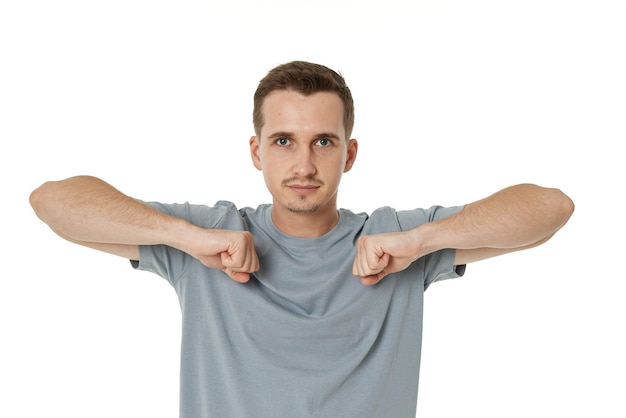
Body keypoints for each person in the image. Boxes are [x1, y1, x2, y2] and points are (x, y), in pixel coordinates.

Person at [29, 60, 574, 418]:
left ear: (349, 153)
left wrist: (420, 242)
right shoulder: (210, 235)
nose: (304, 164)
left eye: (324, 142)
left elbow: (550, 208)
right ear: (256, 151)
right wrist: (187, 238)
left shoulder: (395, 239)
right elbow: (53, 202)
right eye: (285, 141)